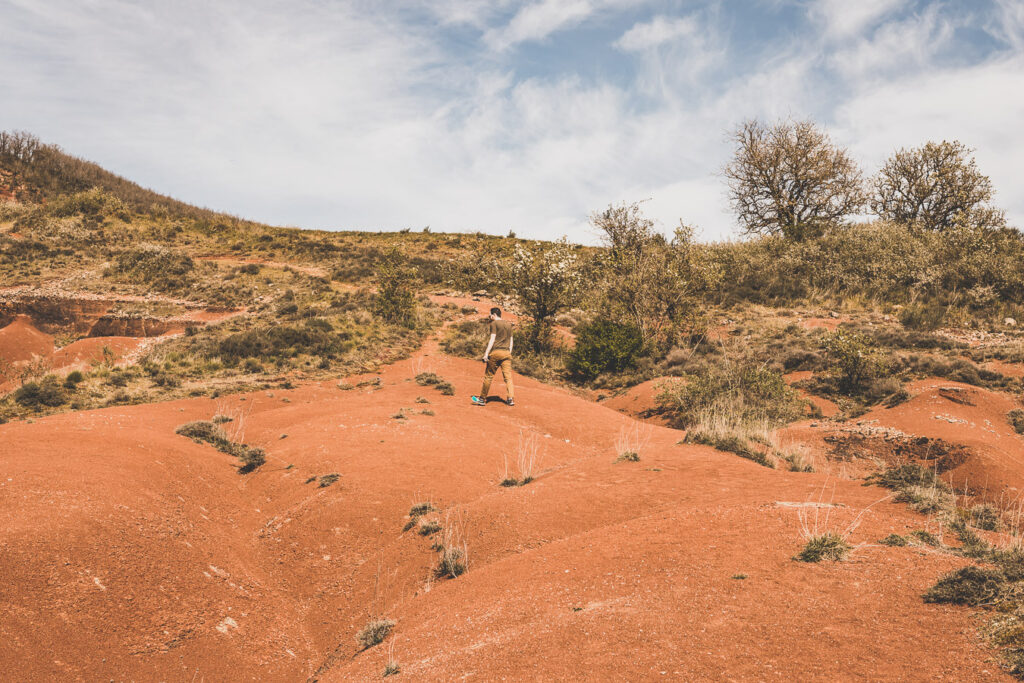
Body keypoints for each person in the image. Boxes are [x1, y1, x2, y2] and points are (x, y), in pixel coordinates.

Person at [471, 307, 514, 407]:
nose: (489, 317)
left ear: (494, 315)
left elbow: (492, 339)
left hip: (496, 352)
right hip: (507, 353)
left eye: (490, 315)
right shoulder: (508, 325)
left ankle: (482, 399)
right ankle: (510, 399)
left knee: (489, 376)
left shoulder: (494, 324)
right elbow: (511, 341)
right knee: (508, 378)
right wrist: (509, 353)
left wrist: (486, 354)